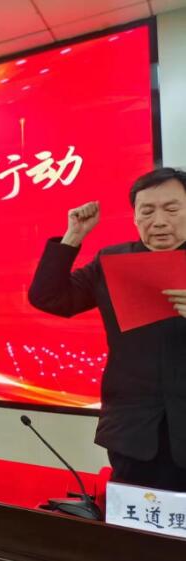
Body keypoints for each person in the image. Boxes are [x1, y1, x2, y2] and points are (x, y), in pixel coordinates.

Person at [29, 167, 186, 492]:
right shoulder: (113, 262)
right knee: (134, 519)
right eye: (147, 211)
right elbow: (49, 298)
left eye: (171, 209)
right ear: (135, 217)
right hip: (133, 430)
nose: (159, 221)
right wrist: (73, 236)